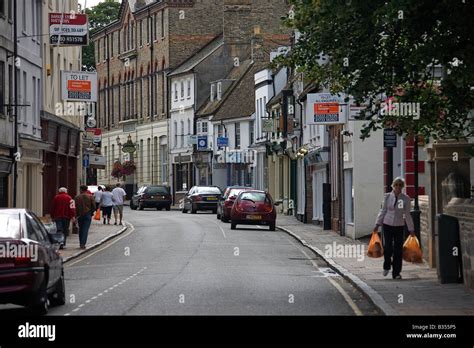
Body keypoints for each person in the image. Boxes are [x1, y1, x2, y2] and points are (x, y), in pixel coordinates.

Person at [374, 177, 415, 280]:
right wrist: (377, 224)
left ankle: (396, 273)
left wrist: (411, 229)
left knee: (398, 250)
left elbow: (407, 214)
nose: (398, 187)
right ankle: (387, 266)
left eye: (400, 185)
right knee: (387, 247)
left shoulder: (406, 198)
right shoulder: (387, 197)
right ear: (393, 186)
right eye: (396, 185)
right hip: (387, 225)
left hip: (399, 226)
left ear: (402, 187)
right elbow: (382, 211)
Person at [74, 185, 96, 249]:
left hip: (80, 215)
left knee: (81, 229)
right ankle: (83, 243)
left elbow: (75, 207)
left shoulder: (77, 197)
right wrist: (91, 212)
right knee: (85, 229)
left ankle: (81, 242)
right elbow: (94, 206)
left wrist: (76, 215)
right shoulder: (90, 196)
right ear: (86, 189)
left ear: (81, 189)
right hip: (88, 214)